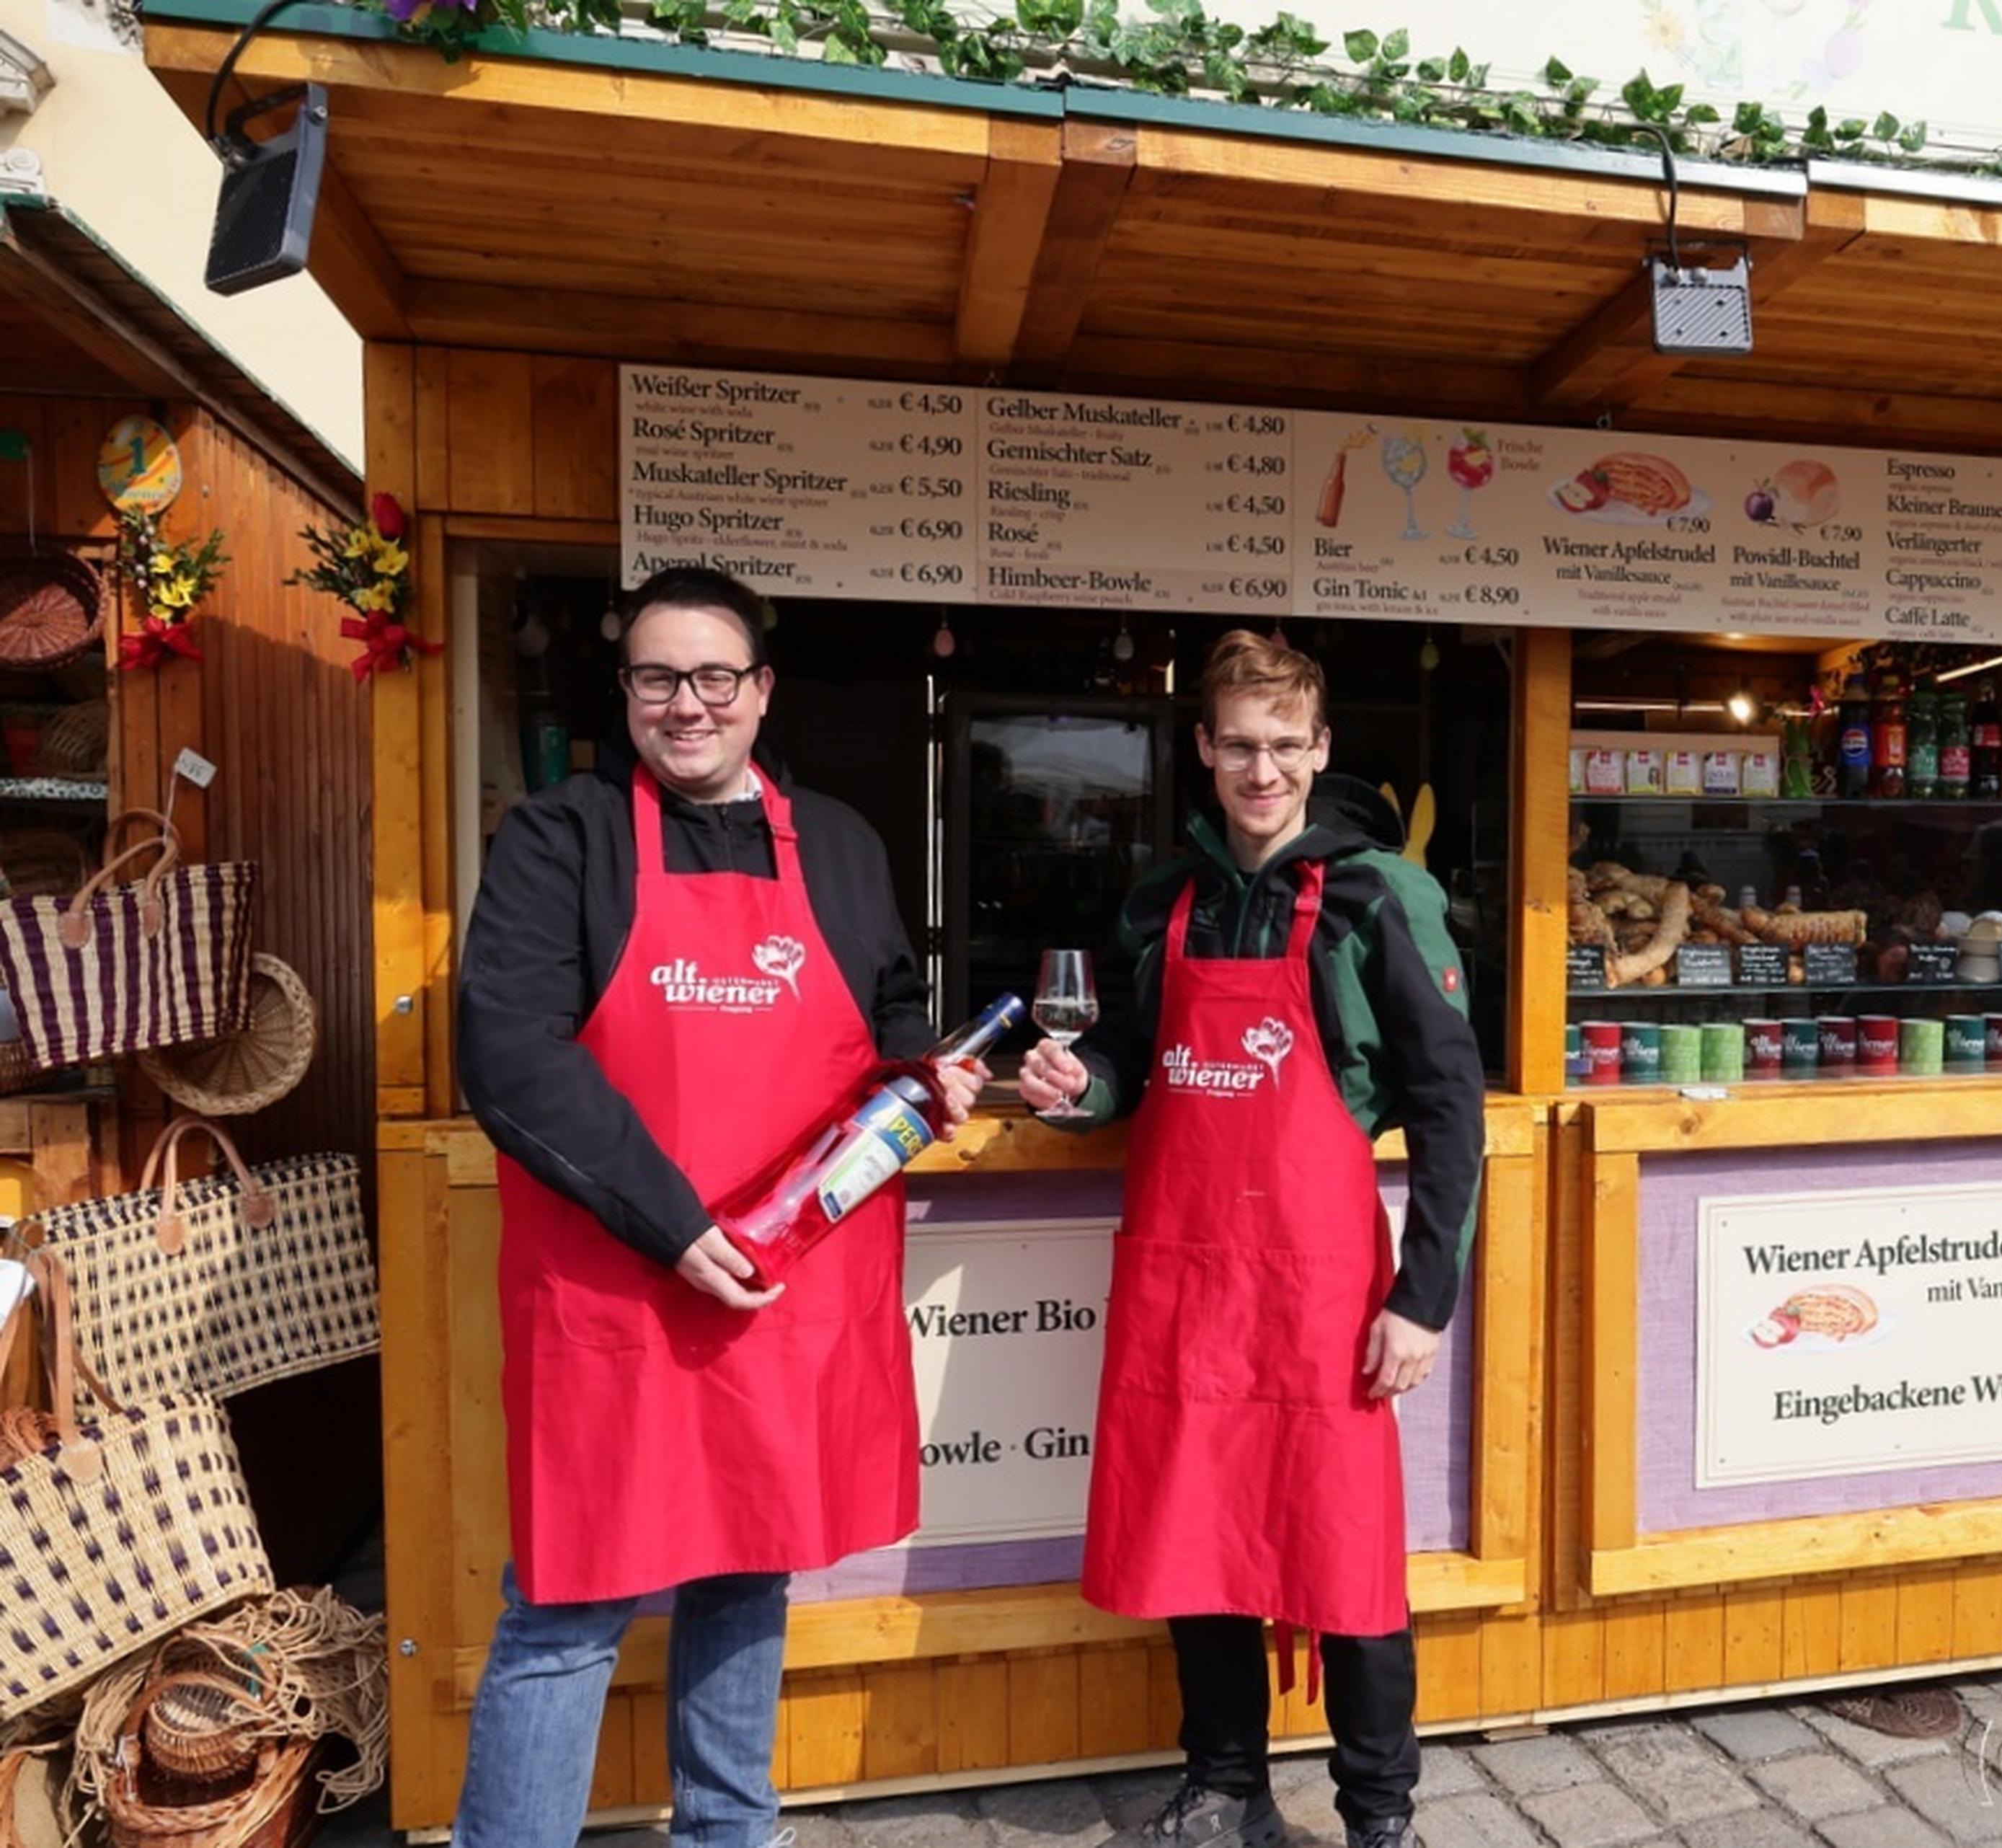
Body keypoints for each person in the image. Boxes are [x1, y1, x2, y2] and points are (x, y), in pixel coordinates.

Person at [452, 567, 980, 1848]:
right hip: (619, 1289)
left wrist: (934, 1073)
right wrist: (676, 1227)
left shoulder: (842, 843)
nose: (686, 705)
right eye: (656, 677)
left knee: (754, 1566)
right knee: (571, 1601)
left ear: (760, 691)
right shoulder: (558, 838)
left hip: (783, 1288)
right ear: (624, 688)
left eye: (713, 678)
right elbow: (508, 1051)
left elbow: (889, 1014)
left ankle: (729, 1835)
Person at [1019, 630, 1484, 1848]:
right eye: (1240, 745)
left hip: (1322, 1287)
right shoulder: (1163, 901)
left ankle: (1380, 1813)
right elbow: (1126, 1054)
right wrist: (1082, 1087)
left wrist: (1424, 1299)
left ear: (1320, 749)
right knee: (1194, 1534)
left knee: (1347, 1563)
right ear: (1205, 750)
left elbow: (1449, 1108)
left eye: (1285, 746)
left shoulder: (1379, 897)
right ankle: (1226, 1785)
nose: (1262, 769)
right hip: (1185, 1280)